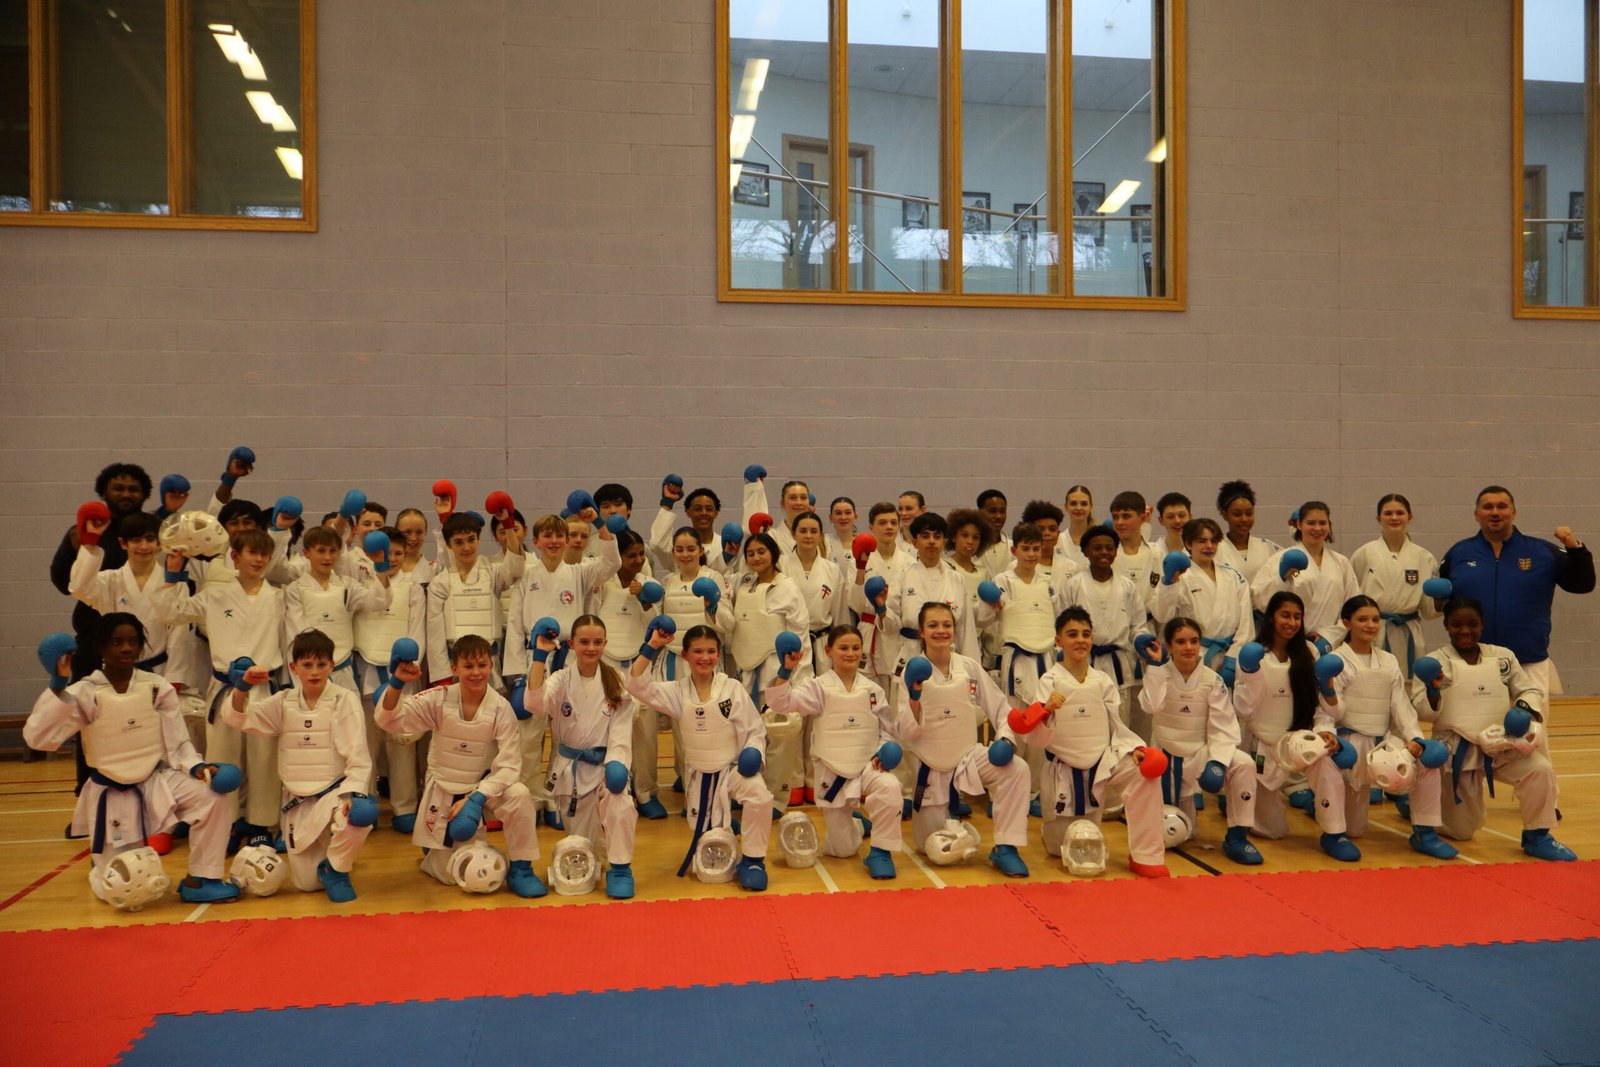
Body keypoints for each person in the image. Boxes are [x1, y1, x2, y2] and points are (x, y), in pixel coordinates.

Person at [26, 614, 240, 906]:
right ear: (101, 647)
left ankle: (201, 879)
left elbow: (178, 743)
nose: (126, 648)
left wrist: (198, 767)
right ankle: (100, 869)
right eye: (117, 642)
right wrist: (57, 684)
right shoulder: (85, 692)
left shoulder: (156, 687)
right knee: (124, 893)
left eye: (133, 641)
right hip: (111, 791)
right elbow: (38, 739)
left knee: (212, 798)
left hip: (155, 780)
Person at [379, 634, 546, 896]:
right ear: (454, 668)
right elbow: (390, 720)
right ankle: (436, 847)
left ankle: (521, 868)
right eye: (468, 666)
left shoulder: (501, 708)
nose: (476, 672)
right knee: (452, 874)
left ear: (491, 666)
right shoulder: (439, 698)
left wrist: (476, 798)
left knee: (520, 795)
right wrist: (397, 682)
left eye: (482, 665)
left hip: (482, 789)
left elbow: (509, 765)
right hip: (444, 787)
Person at [1411, 597, 1575, 861]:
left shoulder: (1502, 657)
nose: (1465, 631)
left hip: (1499, 744)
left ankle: (1538, 835)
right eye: (1457, 625)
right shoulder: (1435, 662)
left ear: (1482, 625)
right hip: (1456, 749)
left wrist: (1522, 709)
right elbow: (1423, 713)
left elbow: (1529, 690)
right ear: (1446, 626)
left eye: (1472, 624)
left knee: (1539, 769)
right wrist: (1433, 691)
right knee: (1462, 831)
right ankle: (1423, 821)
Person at [154, 527, 287, 848]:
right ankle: (226, 823)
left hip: (263, 688)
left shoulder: (279, 597)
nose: (259, 559)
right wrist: (172, 575)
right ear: (235, 556)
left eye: (264, 554)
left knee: (263, 759)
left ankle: (260, 824)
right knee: (222, 757)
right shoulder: (215, 595)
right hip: (225, 686)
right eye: (252, 553)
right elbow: (170, 612)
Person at [222, 630, 375, 902]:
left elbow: (359, 756)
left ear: (332, 665)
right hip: (297, 801)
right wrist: (242, 688)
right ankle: (329, 863)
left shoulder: (344, 700)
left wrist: (352, 794)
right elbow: (238, 718)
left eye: (321, 664)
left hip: (333, 796)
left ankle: (337, 869)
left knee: (362, 812)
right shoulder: (284, 702)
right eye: (307, 665)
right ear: (294, 668)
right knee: (307, 884)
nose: (314, 671)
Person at [1018, 607, 1168, 878]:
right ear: (1058, 640)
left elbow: (1117, 724)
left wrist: (1132, 749)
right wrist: (1046, 710)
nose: (1080, 640)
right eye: (1072, 634)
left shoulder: (1102, 680)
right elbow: (1036, 739)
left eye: (1086, 634)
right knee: (1059, 848)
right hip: (1063, 770)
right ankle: (1050, 830)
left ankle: (1146, 855)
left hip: (1102, 765)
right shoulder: (1049, 680)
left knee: (1145, 772)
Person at [626, 623, 773, 891]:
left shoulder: (732, 688)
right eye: (698, 652)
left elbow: (755, 730)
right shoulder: (677, 692)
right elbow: (636, 685)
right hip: (699, 776)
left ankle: (753, 861)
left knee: (760, 796)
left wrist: (753, 751)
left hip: (731, 771)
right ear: (685, 655)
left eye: (711, 651)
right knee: (710, 848)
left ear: (718, 654)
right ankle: (724, 824)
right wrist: (652, 646)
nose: (705, 657)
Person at [1310, 595, 1456, 860]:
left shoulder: (1388, 661)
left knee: (1428, 758)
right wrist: (1328, 735)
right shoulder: (1336, 661)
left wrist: (1415, 739)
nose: (1370, 625)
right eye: (1362, 619)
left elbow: (1401, 706)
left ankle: (1425, 833)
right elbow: (1327, 711)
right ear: (1347, 623)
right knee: (1352, 825)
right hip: (1349, 745)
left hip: (1383, 745)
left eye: (1375, 619)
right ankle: (1332, 834)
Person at [893, 602, 1030, 876]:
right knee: (933, 848)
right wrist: (915, 699)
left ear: (954, 630)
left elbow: (1001, 708)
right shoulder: (910, 672)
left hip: (969, 759)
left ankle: (1006, 847)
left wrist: (1005, 739)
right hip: (930, 766)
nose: (941, 631)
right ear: (921, 632)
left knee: (1017, 769)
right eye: (933, 625)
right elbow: (906, 733)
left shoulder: (969, 668)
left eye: (947, 625)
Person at [764, 624, 903, 878]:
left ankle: (881, 852)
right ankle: (858, 825)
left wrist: (885, 750)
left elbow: (887, 730)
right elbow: (781, 703)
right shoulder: (819, 687)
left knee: (890, 787)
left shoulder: (873, 690)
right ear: (828, 651)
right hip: (832, 771)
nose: (850, 653)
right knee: (842, 850)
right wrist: (786, 670)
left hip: (866, 767)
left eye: (855, 648)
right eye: (843, 648)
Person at [1439, 486, 1593, 703]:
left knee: (1530, 725)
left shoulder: (1542, 552)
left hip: (1529, 661)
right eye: (1488, 507)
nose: (1495, 512)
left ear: (1514, 512)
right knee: (1477, 725)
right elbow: (1442, 602)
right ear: (1476, 514)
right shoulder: (1458, 553)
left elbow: (1582, 585)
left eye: (1502, 506)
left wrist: (1575, 548)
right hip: (1473, 663)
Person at [525, 616, 640, 898]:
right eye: (584, 642)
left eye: (597, 642)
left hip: (605, 765)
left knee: (620, 803)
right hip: (571, 770)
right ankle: (592, 862)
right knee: (582, 848)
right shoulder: (560, 679)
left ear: (605, 644)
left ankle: (621, 868)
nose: (591, 648)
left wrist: (617, 763)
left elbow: (621, 730)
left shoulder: (616, 680)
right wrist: (539, 656)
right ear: (572, 644)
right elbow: (534, 705)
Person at [1234, 592, 1353, 858]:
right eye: (1285, 615)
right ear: (1271, 618)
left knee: (1328, 763)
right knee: (1272, 830)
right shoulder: (1254, 655)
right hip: (1263, 741)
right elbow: (1243, 710)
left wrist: (1325, 731)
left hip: (1301, 741)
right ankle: (1235, 797)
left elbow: (1326, 709)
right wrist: (1251, 676)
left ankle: (1334, 833)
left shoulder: (1310, 653)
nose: (1291, 622)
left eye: (1297, 617)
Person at [1136, 617, 1264, 865]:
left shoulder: (1211, 680)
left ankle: (1237, 837)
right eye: (1180, 642)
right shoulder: (1159, 673)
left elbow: (1224, 725)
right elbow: (1151, 706)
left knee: (1244, 764)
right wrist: (1154, 666)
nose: (1188, 647)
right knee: (1180, 833)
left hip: (1200, 754)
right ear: (1169, 646)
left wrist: (1217, 761)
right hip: (1166, 758)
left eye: (1194, 641)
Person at [1061, 526, 1147, 734]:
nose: (1104, 552)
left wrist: (1142, 640)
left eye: (1109, 548)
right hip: (1083, 661)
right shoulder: (1073, 585)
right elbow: (1061, 624)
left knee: (1120, 722)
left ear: (1116, 551)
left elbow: (1138, 625)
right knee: (1085, 720)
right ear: (1085, 552)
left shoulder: (1127, 587)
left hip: (1118, 662)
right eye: (1097, 548)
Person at [425, 511, 525, 685]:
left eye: (471, 539)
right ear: (448, 545)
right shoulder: (440, 583)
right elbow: (435, 635)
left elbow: (516, 568)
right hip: (457, 667)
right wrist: (442, 677)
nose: (466, 547)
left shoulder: (493, 573)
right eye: (459, 542)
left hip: (490, 665)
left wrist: (508, 524)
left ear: (479, 539)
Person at [1349, 493, 1442, 677]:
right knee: (1373, 680)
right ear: (1378, 518)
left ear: (1410, 517)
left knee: (1411, 683)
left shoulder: (1424, 557)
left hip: (1408, 632)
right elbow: (1351, 597)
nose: (1394, 517)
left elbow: (1428, 610)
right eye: (1388, 513)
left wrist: (1442, 599)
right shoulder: (1364, 554)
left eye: (1400, 513)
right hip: (1373, 630)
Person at [1153, 518, 1252, 687]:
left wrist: (1234, 656)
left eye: (1214, 541)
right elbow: (1162, 615)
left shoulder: (1234, 577)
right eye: (1202, 541)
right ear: (1188, 544)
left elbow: (1246, 624)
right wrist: (1169, 583)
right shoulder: (1180, 576)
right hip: (1192, 654)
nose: (1209, 546)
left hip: (1228, 655)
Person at [1252, 501, 1359, 651]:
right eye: (1311, 523)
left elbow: (1353, 605)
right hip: (1289, 641)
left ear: (1329, 525)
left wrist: (1330, 637)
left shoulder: (1341, 562)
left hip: (1330, 644)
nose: (1317, 528)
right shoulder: (1280, 559)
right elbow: (1260, 601)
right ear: (1299, 524)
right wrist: (1281, 580)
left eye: (1322, 523)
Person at [1214, 480, 1280, 585]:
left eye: (1249, 513)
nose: (1244, 519)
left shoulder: (1268, 548)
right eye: (1237, 514)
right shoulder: (1214, 548)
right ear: (1225, 515)